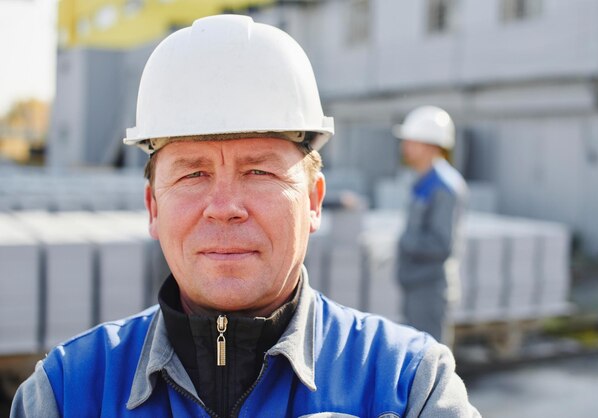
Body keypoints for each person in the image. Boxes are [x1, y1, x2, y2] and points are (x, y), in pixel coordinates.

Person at [11, 16, 480, 417]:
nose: (225, 207)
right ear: (153, 207)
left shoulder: (409, 387)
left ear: (314, 201)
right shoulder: (65, 392)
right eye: (193, 174)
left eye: (258, 171)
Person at [393, 106, 469, 347]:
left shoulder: (444, 187)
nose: (405, 146)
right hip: (415, 283)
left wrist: (403, 241)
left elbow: (441, 244)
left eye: (412, 140)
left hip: (430, 287)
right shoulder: (422, 180)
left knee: (429, 361)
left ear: (431, 145)